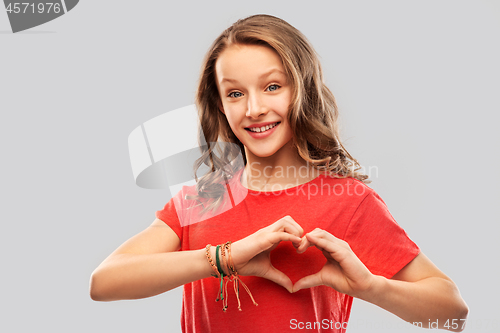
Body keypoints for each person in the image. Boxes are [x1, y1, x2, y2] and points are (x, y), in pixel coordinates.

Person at [90, 14, 468, 333]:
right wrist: (226, 257)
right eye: (235, 94)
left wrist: (370, 286)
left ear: (301, 91)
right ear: (220, 106)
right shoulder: (203, 199)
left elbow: (452, 313)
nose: (254, 108)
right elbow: (104, 282)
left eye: (273, 87)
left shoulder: (349, 201)